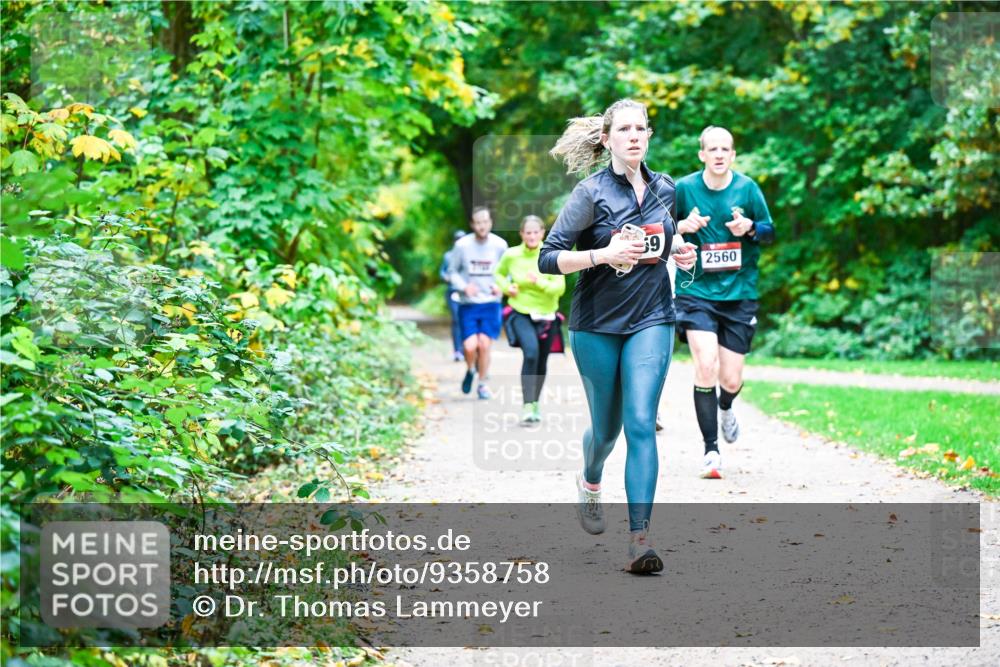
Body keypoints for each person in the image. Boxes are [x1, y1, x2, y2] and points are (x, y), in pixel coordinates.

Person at [540, 98, 697, 574]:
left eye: (641, 128)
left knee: (641, 422)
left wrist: (681, 252)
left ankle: (639, 540)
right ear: (607, 139)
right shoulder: (590, 193)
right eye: (624, 129)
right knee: (606, 430)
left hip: (652, 317)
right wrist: (602, 254)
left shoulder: (666, 189)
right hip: (595, 325)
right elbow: (548, 258)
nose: (634, 135)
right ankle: (590, 479)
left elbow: (665, 240)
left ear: (648, 136)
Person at [674, 126, 775, 480]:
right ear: (701, 154)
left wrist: (749, 228)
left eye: (725, 149)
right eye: (712, 149)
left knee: (730, 379)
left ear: (732, 155)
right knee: (706, 365)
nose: (719, 154)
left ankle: (726, 406)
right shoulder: (684, 188)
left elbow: (769, 232)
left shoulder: (747, 188)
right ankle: (711, 451)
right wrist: (683, 225)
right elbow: (662, 229)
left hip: (739, 294)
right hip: (695, 291)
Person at [495, 215, 566, 424]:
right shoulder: (511, 255)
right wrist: (508, 288)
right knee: (532, 353)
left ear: (543, 233)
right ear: (522, 234)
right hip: (521, 312)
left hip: (547, 316)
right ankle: (527, 405)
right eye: (528, 232)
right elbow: (498, 274)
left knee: (542, 361)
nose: (532, 236)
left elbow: (559, 289)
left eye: (536, 232)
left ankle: (535, 403)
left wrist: (540, 282)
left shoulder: (551, 254)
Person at [448, 206, 508, 400]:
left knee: (484, 344)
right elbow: (452, 272)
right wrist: (464, 287)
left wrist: (502, 286)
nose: (482, 226)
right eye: (478, 222)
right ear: (472, 225)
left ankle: (482, 384)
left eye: (485, 222)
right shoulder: (462, 246)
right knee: (469, 346)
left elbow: (509, 271)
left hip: (491, 302)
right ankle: (470, 369)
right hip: (469, 304)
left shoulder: (500, 245)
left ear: (490, 223)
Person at [440, 230, 467, 361]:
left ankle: (467, 348)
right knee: (456, 319)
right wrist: (447, 278)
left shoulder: (470, 254)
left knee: (467, 320)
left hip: (467, 293)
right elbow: (443, 272)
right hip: (452, 291)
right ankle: (457, 350)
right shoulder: (448, 256)